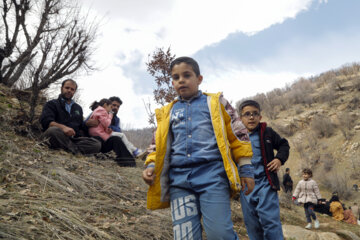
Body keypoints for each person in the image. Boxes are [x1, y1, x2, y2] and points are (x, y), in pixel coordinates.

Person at [142, 56, 254, 240]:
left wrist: (246, 169)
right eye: (176, 77)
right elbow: (157, 145)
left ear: (199, 79)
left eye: (187, 75)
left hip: (213, 177)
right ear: (172, 82)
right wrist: (151, 166)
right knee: (185, 236)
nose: (181, 80)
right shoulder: (167, 112)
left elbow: (238, 135)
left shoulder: (216, 103)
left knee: (220, 234)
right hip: (179, 182)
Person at [238, 100, 290, 240]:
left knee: (270, 221)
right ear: (240, 118)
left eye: (255, 114)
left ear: (260, 117)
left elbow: (284, 145)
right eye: (247, 114)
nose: (251, 117)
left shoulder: (267, 132)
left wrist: (279, 159)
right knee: (252, 224)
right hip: (245, 186)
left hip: (265, 183)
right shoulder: (235, 136)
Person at [40, 79, 101, 155]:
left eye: (72, 89)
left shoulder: (78, 108)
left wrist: (87, 124)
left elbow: (80, 127)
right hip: (58, 134)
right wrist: (63, 128)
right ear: (61, 88)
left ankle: (69, 149)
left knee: (96, 144)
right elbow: (46, 121)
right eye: (67, 88)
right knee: (52, 131)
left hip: (73, 139)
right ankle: (76, 151)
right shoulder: (51, 104)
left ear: (74, 92)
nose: (69, 90)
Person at [86, 98, 136, 167]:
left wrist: (109, 129)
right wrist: (87, 123)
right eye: (113, 105)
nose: (115, 108)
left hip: (104, 136)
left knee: (117, 139)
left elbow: (117, 130)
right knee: (119, 137)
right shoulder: (101, 111)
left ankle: (128, 161)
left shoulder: (116, 119)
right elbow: (84, 123)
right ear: (106, 105)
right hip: (96, 138)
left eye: (118, 106)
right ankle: (133, 152)